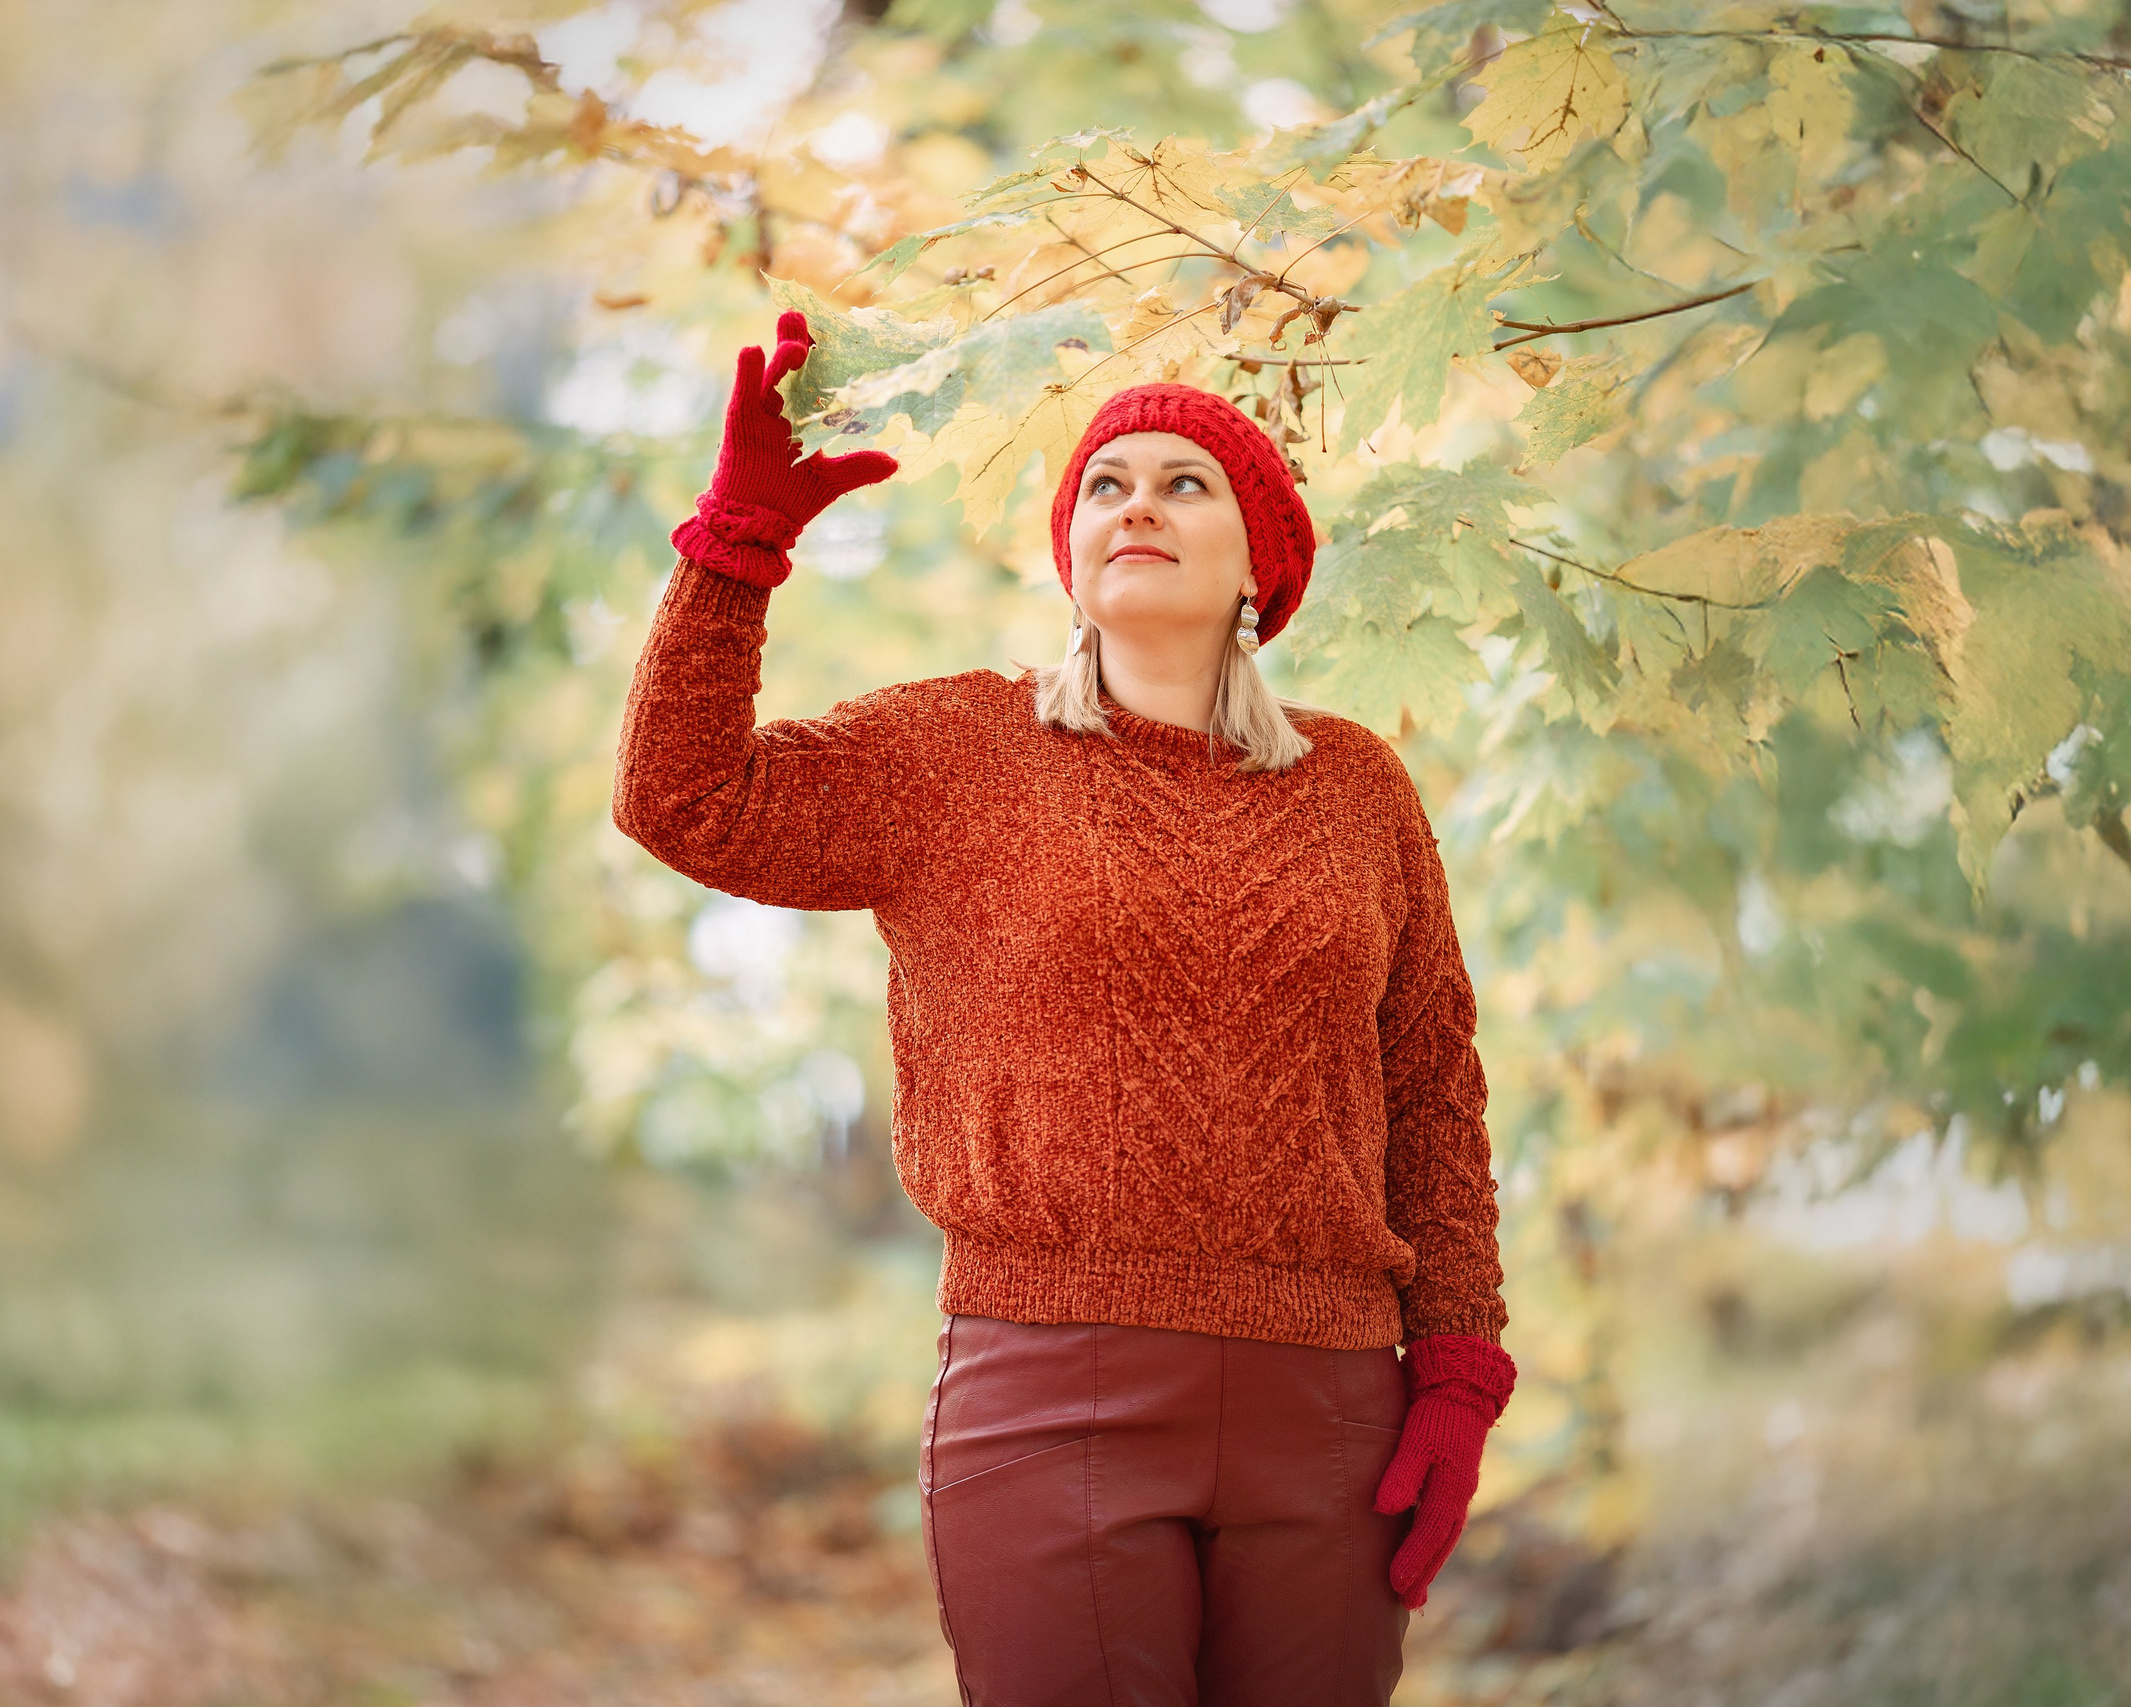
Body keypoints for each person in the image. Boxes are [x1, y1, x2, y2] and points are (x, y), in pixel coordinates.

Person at [613, 311, 1515, 1707]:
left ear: (1258, 566)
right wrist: (737, 547)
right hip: (1051, 1399)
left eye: (1182, 482)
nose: (1136, 503)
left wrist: (1457, 1363)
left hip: (1331, 1406)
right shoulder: (960, 751)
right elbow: (685, 799)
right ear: (1073, 556)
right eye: (1107, 483)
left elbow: (1433, 1088)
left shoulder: (1357, 787)